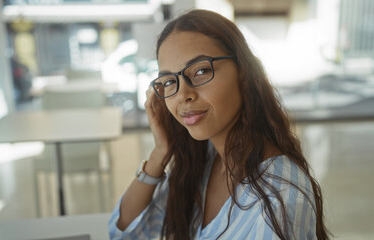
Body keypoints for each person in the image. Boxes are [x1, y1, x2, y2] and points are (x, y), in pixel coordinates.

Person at [109, 9, 330, 240]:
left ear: (243, 73)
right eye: (168, 81)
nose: (183, 94)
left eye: (201, 71)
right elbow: (124, 233)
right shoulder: (203, 161)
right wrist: (160, 153)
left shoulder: (280, 198)